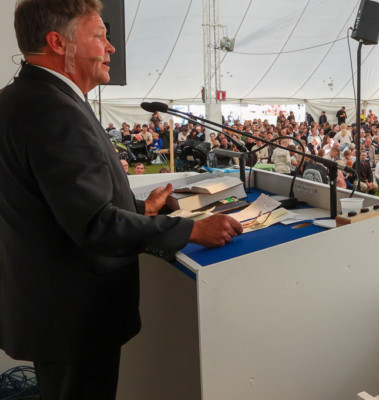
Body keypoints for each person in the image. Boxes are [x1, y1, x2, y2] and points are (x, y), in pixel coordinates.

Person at [1, 2, 241, 398]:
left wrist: (140, 209)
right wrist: (191, 230)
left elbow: (56, 204)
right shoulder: (54, 109)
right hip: (75, 316)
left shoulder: (21, 97)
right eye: (99, 36)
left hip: (50, 307)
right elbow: (95, 225)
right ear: (58, 43)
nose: (110, 47)